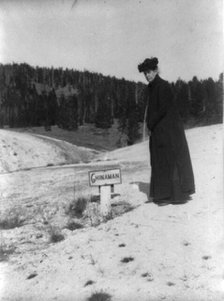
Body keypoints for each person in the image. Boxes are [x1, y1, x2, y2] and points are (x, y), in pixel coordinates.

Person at [138, 57, 195, 205]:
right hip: (161, 130)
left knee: (168, 161)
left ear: (156, 70)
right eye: (145, 73)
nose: (147, 75)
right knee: (161, 161)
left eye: (149, 72)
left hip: (169, 131)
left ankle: (172, 196)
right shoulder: (153, 87)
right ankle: (164, 195)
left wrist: (150, 124)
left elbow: (162, 109)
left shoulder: (162, 86)